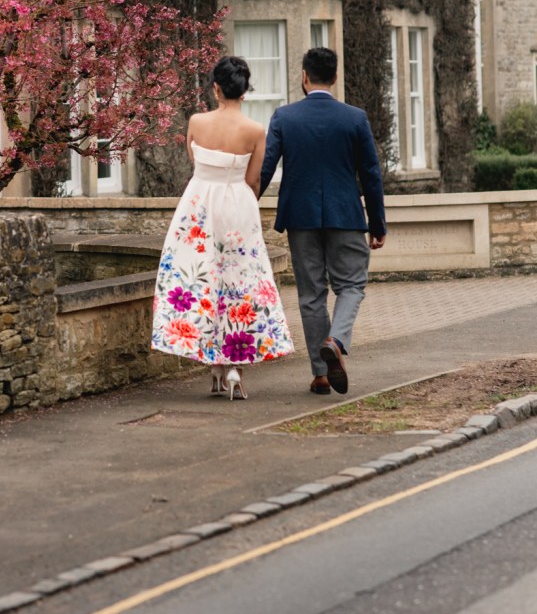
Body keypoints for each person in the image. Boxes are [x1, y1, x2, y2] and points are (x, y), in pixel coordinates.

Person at [152, 56, 294, 400]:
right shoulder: (255, 130)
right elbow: (255, 178)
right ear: (245, 92)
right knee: (239, 283)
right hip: (238, 206)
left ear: (215, 88)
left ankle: (214, 369)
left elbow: (194, 160)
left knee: (203, 279)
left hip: (199, 206)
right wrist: (242, 203)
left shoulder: (197, 121)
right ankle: (234, 368)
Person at [260, 47, 386, 396]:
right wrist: (378, 224)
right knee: (351, 286)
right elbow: (371, 175)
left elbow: (265, 171)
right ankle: (337, 339)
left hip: (300, 219)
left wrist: (242, 207)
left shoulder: (284, 117)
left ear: (304, 76)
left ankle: (320, 374)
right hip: (345, 215)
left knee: (311, 295)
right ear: (334, 77)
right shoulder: (355, 118)